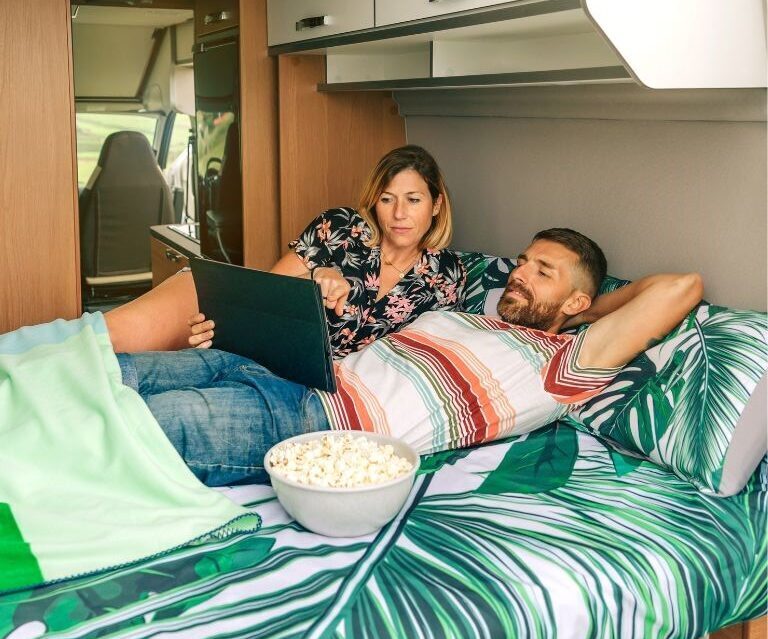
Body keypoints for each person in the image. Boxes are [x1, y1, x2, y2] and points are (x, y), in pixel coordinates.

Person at [116, 228, 704, 485]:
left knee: (126, 433)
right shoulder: (463, 314)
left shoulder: (563, 362)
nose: (519, 274)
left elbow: (682, 287)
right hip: (282, 367)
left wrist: (589, 309)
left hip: (318, 424)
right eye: (521, 262)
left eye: (541, 271)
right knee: (106, 376)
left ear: (578, 298)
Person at [106, 144, 466, 356]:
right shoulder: (340, 226)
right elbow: (263, 293)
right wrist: (314, 275)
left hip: (331, 391)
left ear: (436, 205)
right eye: (387, 200)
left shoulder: (447, 275)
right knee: (114, 362)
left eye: (413, 200)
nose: (399, 214)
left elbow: (427, 352)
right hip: (264, 354)